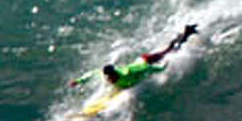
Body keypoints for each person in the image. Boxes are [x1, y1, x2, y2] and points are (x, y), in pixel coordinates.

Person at [69, 24, 198, 89]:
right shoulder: (107, 75)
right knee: (168, 49)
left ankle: (187, 33)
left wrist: (162, 68)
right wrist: (78, 81)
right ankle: (182, 34)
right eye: (107, 77)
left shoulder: (127, 73)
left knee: (170, 51)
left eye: (110, 77)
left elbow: (146, 68)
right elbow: (91, 74)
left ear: (114, 74)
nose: (108, 79)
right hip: (141, 61)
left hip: (146, 61)